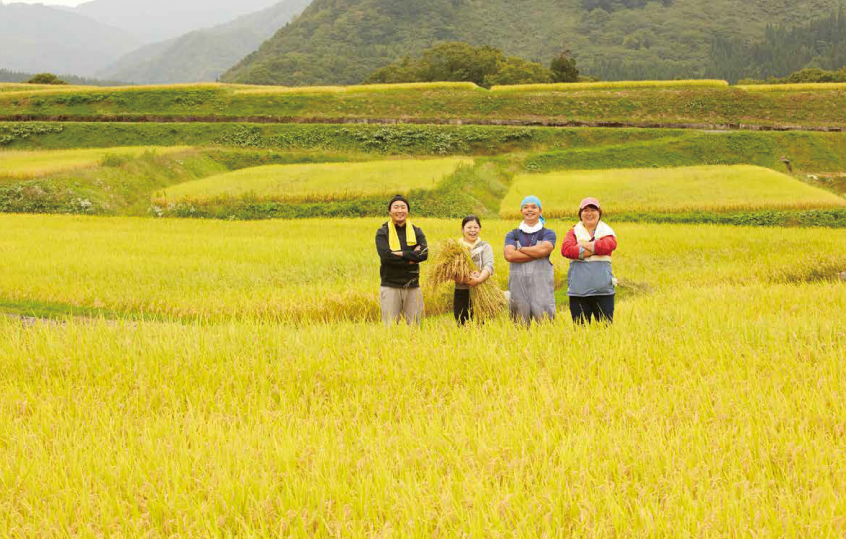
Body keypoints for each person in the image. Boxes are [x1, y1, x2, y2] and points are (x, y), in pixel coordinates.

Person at [561, 197, 618, 324]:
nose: (589, 213)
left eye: (593, 210)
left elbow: (609, 245)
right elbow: (566, 250)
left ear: (599, 213)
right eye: (585, 210)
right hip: (578, 292)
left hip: (603, 292)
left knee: (606, 331)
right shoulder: (573, 232)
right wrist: (595, 248)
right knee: (580, 332)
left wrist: (582, 244)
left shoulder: (607, 232)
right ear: (580, 214)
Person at [375, 194, 428, 326]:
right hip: (390, 285)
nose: (400, 210)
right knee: (390, 326)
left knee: (415, 326)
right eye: (396, 207)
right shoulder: (382, 232)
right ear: (390, 211)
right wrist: (411, 257)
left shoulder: (416, 231)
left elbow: (424, 254)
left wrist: (401, 253)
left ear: (408, 211)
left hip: (413, 286)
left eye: (403, 207)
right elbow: (386, 257)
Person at [503, 195, 557, 324]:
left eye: (534, 207)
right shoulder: (513, 234)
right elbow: (510, 255)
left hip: (542, 288)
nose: (530, 210)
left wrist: (521, 250)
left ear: (540, 211)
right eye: (526, 207)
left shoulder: (548, 233)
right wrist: (536, 252)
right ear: (521, 211)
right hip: (518, 289)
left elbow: (544, 250)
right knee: (519, 327)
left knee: (546, 325)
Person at [453, 215, 495, 325]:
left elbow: (489, 266)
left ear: (480, 229)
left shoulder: (485, 246)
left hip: (482, 292)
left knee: (483, 325)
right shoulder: (455, 248)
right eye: (469, 227)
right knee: (462, 325)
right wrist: (468, 278)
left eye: (476, 227)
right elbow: (450, 270)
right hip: (461, 291)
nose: (472, 230)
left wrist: (479, 279)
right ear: (462, 229)